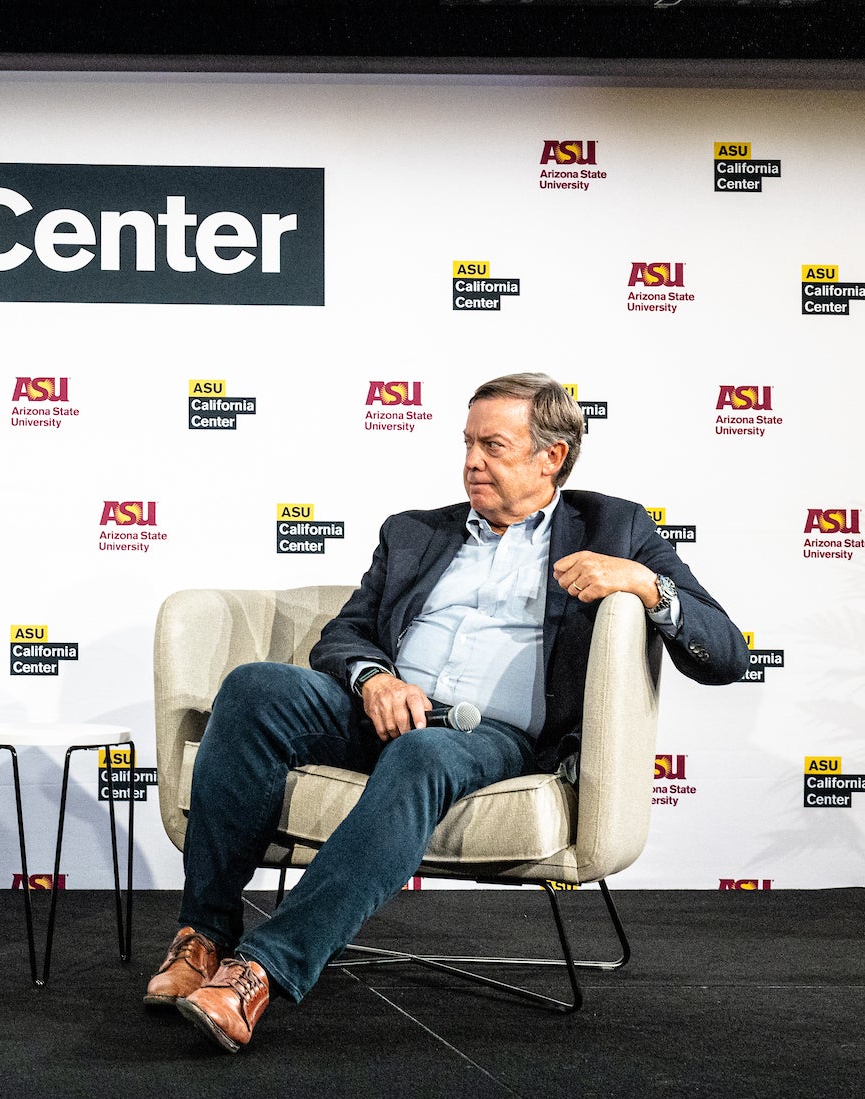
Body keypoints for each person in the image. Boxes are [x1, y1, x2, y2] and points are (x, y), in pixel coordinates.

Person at [150, 371, 746, 1053]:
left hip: (491, 737)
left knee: (423, 754)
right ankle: (203, 936)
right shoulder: (414, 533)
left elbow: (725, 653)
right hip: (384, 709)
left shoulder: (615, 526)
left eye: (493, 445)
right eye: (467, 443)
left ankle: (260, 970)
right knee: (256, 687)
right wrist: (373, 677)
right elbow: (344, 634)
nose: (470, 461)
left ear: (550, 456)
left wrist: (643, 582)